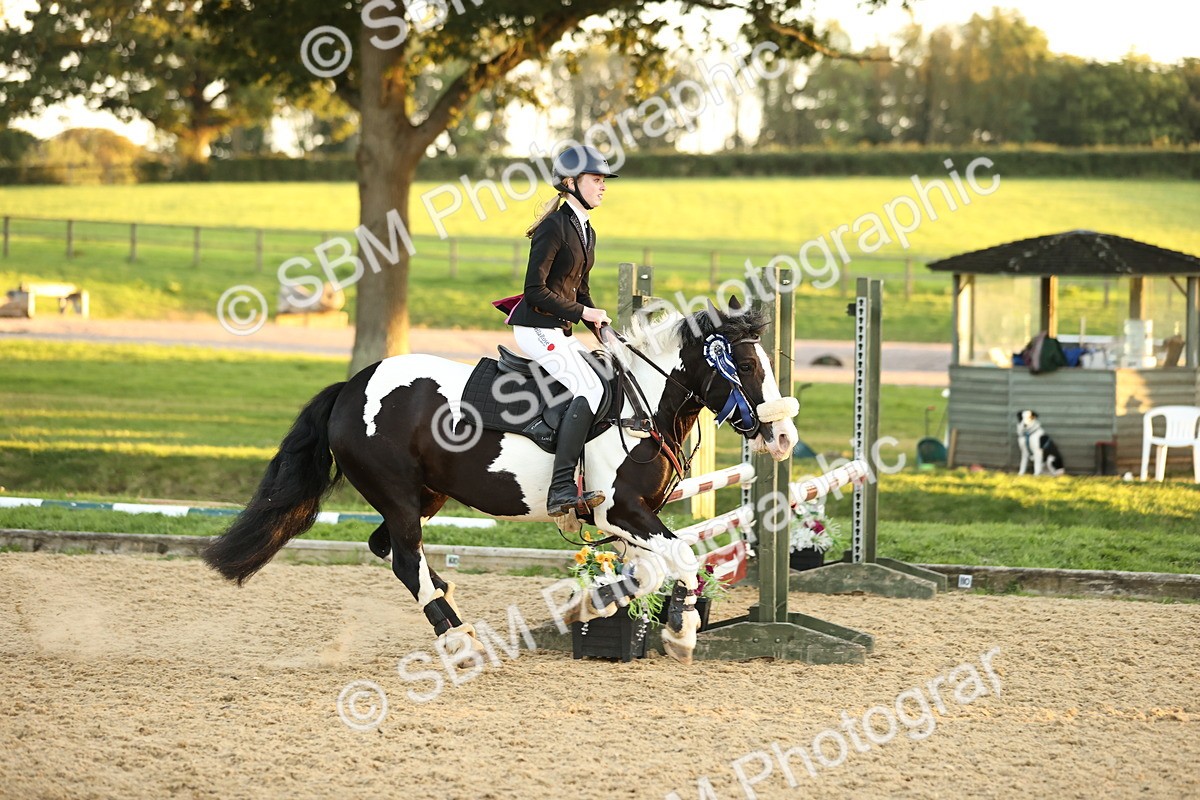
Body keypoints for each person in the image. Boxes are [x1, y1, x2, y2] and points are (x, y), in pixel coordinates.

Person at [506, 144, 618, 517]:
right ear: (570, 183)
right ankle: (561, 488)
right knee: (590, 385)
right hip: (535, 326)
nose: (603, 187)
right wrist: (584, 310)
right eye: (596, 180)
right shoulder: (554, 227)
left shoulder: (587, 231)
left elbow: (578, 287)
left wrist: (599, 324)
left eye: (604, 181)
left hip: (558, 329)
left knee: (604, 377)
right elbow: (536, 290)